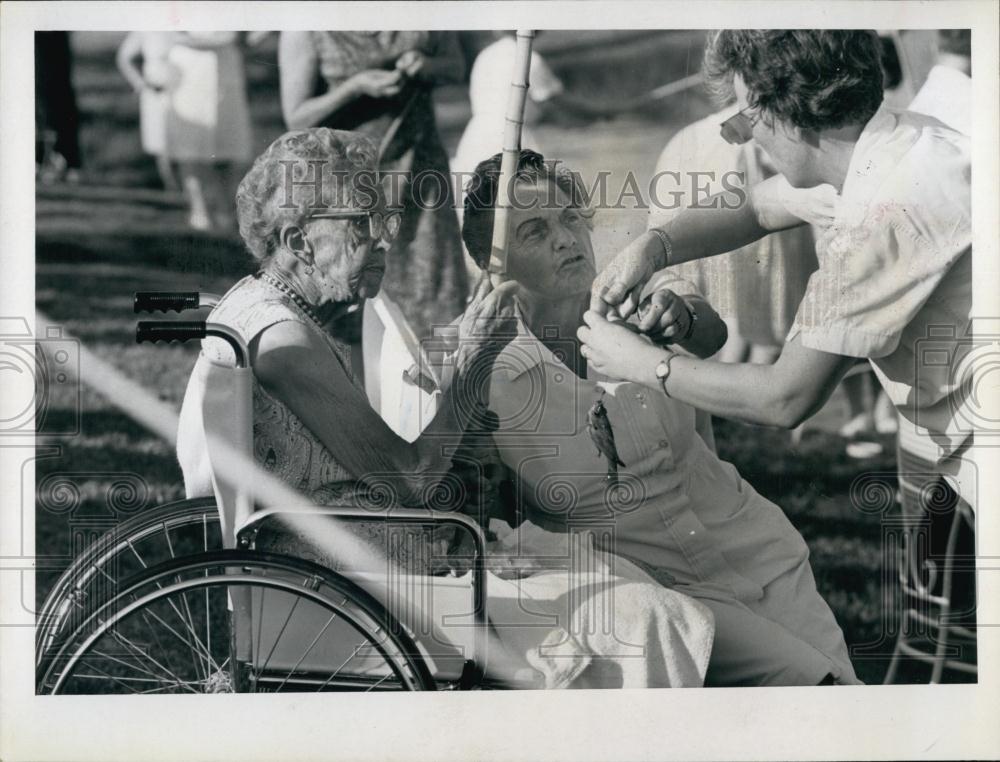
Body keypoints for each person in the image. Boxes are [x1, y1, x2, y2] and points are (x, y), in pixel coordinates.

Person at [176, 128, 714, 689]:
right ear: (300, 242)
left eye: (386, 219)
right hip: (355, 583)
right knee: (648, 613)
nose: (384, 240)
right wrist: (474, 365)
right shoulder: (286, 342)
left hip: (363, 555)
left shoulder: (255, 306)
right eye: (362, 223)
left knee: (624, 583)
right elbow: (408, 477)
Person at [458, 149, 859, 686]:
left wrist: (681, 317)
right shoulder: (481, 366)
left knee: (837, 697)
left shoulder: (636, 292)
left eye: (570, 217)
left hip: (751, 547)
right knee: (821, 692)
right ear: (492, 263)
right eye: (534, 231)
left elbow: (712, 335)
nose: (565, 238)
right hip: (644, 589)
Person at [582, 29, 974, 512]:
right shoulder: (894, 141)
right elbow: (757, 206)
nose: (752, 137)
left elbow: (784, 397)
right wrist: (655, 245)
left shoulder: (880, 214)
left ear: (787, 114)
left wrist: (642, 364)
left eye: (747, 119)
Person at [278, 31, 469, 339]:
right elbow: (296, 117)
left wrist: (427, 65)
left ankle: (431, 380)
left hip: (419, 169)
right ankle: (356, 383)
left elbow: (456, 66)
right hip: (345, 179)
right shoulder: (308, 25)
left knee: (432, 282)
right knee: (349, 293)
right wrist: (354, 87)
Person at [116, 31, 254, 231]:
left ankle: (225, 210)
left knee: (227, 151)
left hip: (221, 76)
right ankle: (198, 209)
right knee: (187, 150)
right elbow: (128, 55)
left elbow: (234, 36)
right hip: (185, 79)